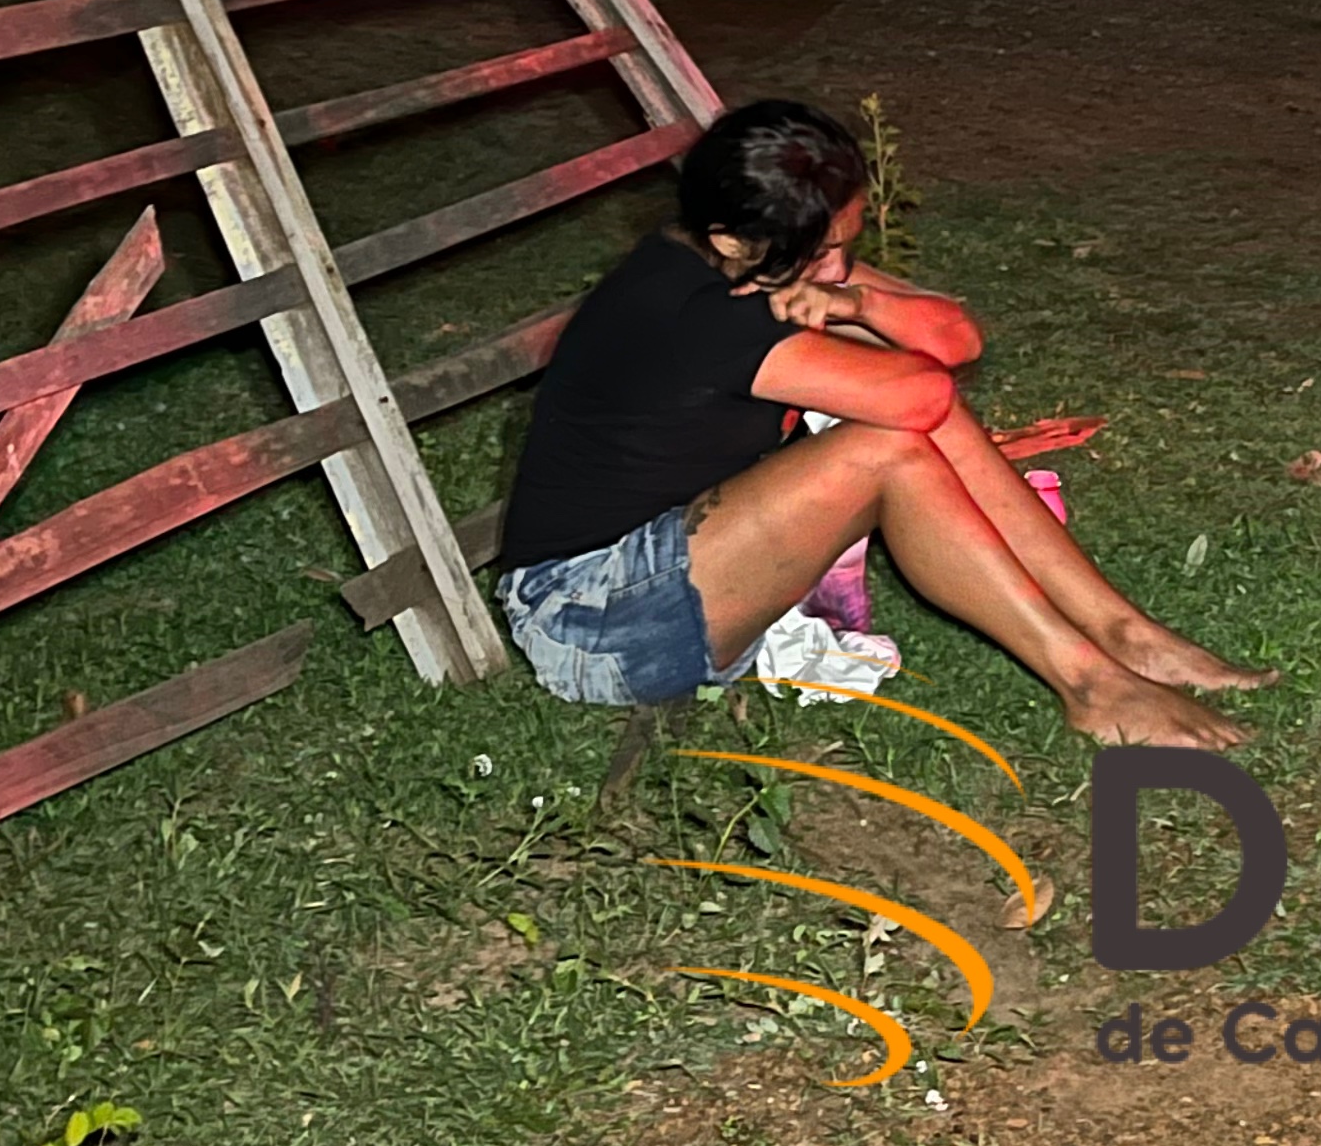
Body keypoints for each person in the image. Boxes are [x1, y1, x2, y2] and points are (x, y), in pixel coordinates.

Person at [491, 98, 1260, 746]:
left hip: (678, 567)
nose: (837, 265)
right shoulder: (698, 315)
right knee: (887, 444)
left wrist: (855, 300)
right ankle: (1090, 683)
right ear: (733, 240)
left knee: (908, 417)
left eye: (847, 245)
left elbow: (958, 340)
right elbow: (922, 396)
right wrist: (856, 315)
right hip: (587, 621)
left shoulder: (754, 255)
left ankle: (1123, 633)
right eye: (825, 252)